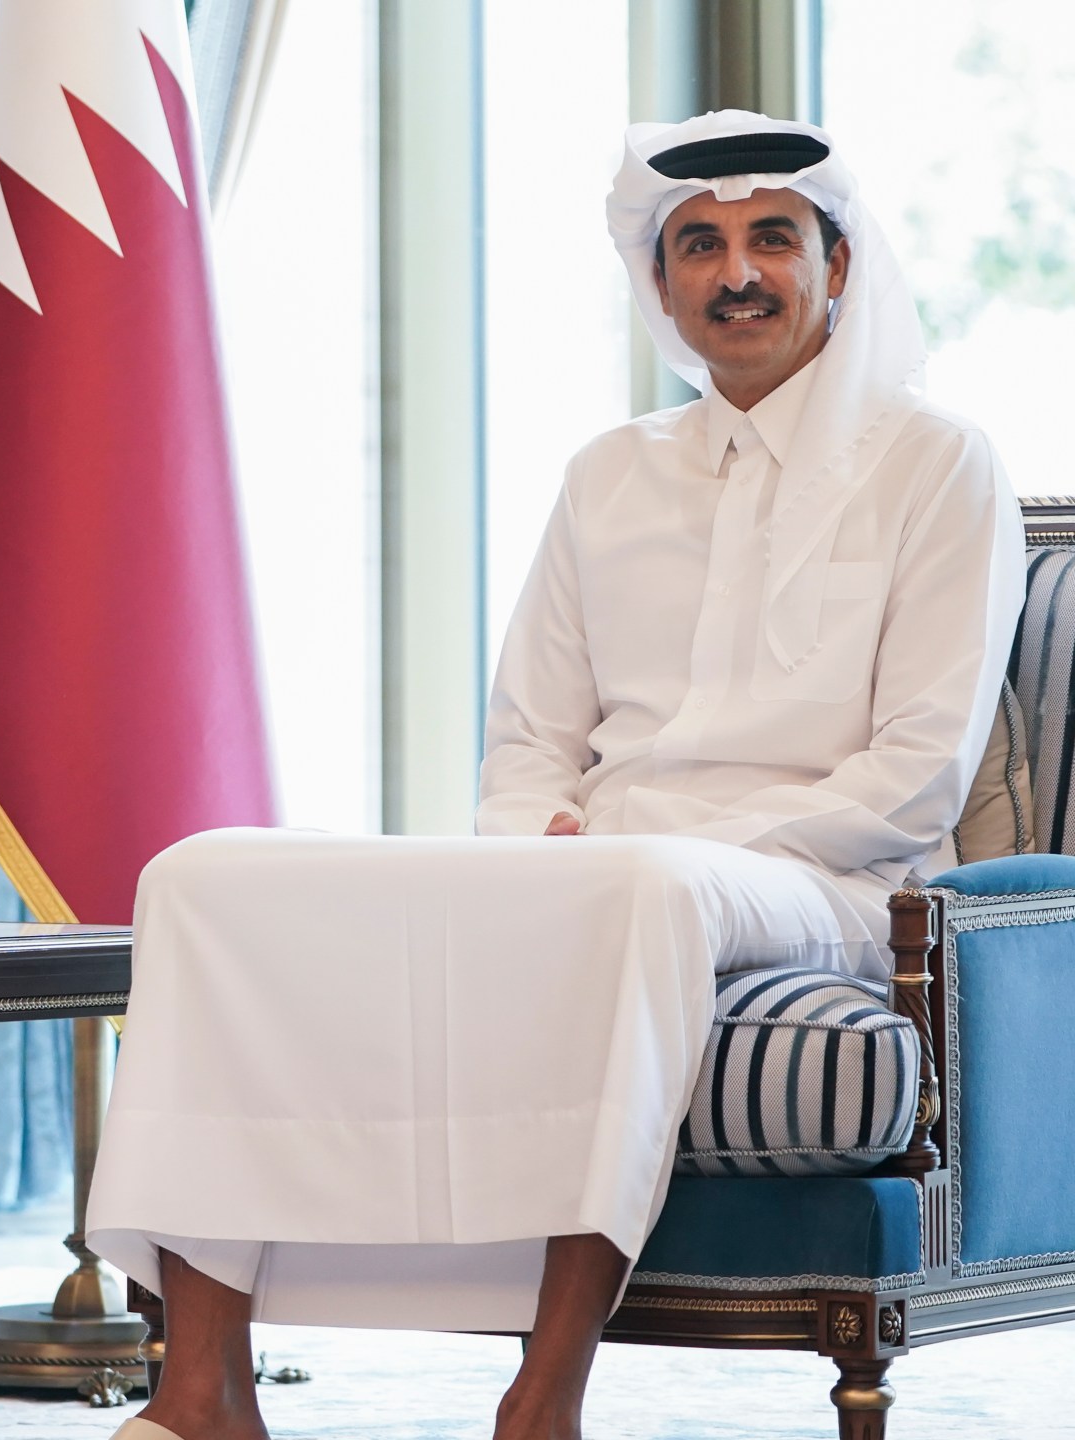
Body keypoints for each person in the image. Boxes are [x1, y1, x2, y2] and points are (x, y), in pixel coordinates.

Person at [88, 110, 1022, 1440]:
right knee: (205, 877)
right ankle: (201, 1392)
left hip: (829, 882)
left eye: (771, 239)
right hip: (604, 869)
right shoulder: (609, 475)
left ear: (841, 267)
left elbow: (914, 778)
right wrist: (543, 845)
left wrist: (652, 853)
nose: (735, 273)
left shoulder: (939, 465)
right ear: (659, 284)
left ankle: (546, 1390)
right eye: (697, 245)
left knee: (642, 892)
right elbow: (528, 738)